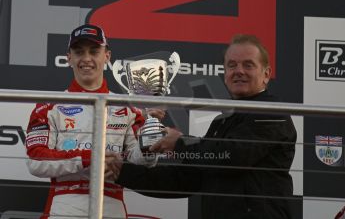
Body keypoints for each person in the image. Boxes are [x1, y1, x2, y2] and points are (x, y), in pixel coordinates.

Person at [110, 34, 297, 219]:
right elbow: (186, 179)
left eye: (248, 65)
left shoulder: (273, 113)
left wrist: (180, 144)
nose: (238, 70)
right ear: (225, 74)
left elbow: (233, 156)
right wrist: (123, 172)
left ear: (266, 74)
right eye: (232, 65)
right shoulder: (222, 121)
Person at [24, 24, 160, 219]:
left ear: (107, 56)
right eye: (79, 52)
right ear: (69, 58)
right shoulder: (48, 106)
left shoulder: (129, 109)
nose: (86, 58)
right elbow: (36, 161)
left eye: (94, 51)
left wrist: (150, 140)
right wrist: (91, 158)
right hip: (65, 204)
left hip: (111, 204)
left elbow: (139, 160)